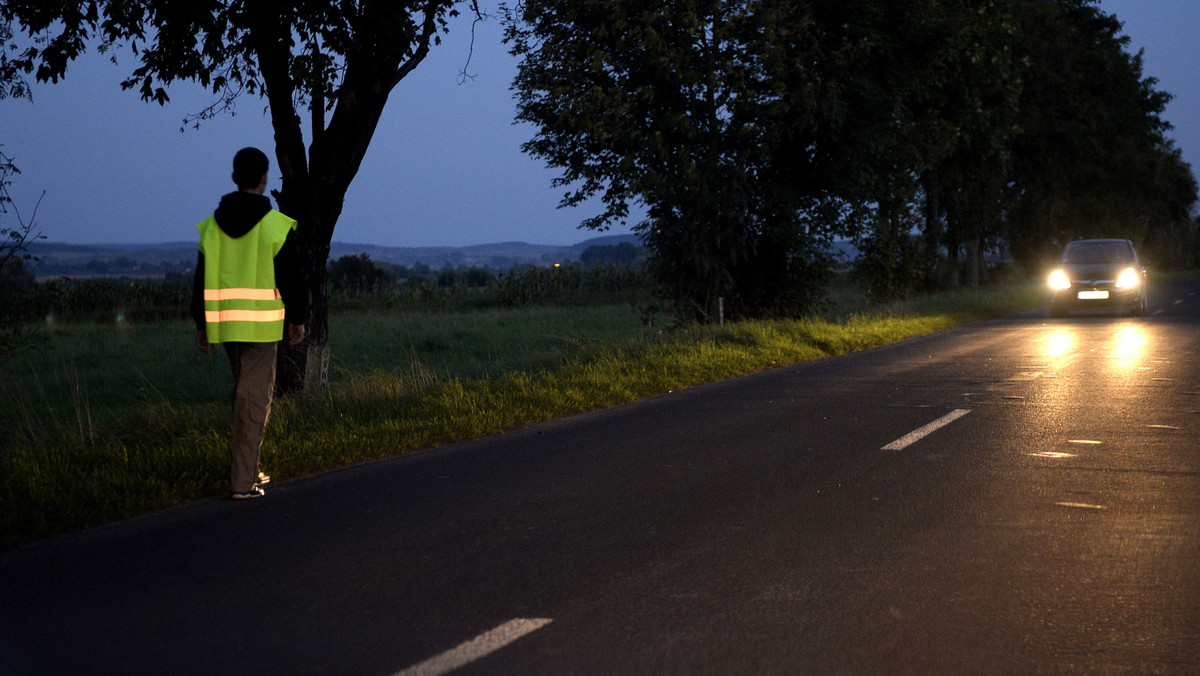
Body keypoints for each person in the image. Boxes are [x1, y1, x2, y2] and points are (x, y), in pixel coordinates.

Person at [189, 147, 308, 499]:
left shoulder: (211, 226)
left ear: (234, 177)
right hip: (261, 327)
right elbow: (292, 278)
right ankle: (243, 483)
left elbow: (200, 279)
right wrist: (297, 320)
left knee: (245, 397)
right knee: (254, 400)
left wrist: (202, 324)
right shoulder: (275, 225)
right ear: (265, 178)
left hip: (226, 327)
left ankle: (251, 469)